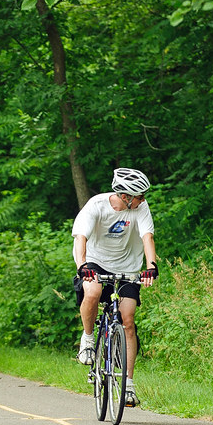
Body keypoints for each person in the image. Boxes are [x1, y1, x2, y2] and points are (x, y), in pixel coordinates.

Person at [72, 167, 159, 408]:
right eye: (139, 196)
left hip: (128, 266)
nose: (143, 200)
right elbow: (81, 238)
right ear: (125, 196)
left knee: (128, 319)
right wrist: (82, 266)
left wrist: (151, 267)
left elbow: (147, 238)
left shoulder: (141, 208)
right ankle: (88, 339)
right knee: (93, 291)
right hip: (95, 261)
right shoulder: (96, 205)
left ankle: (128, 386)